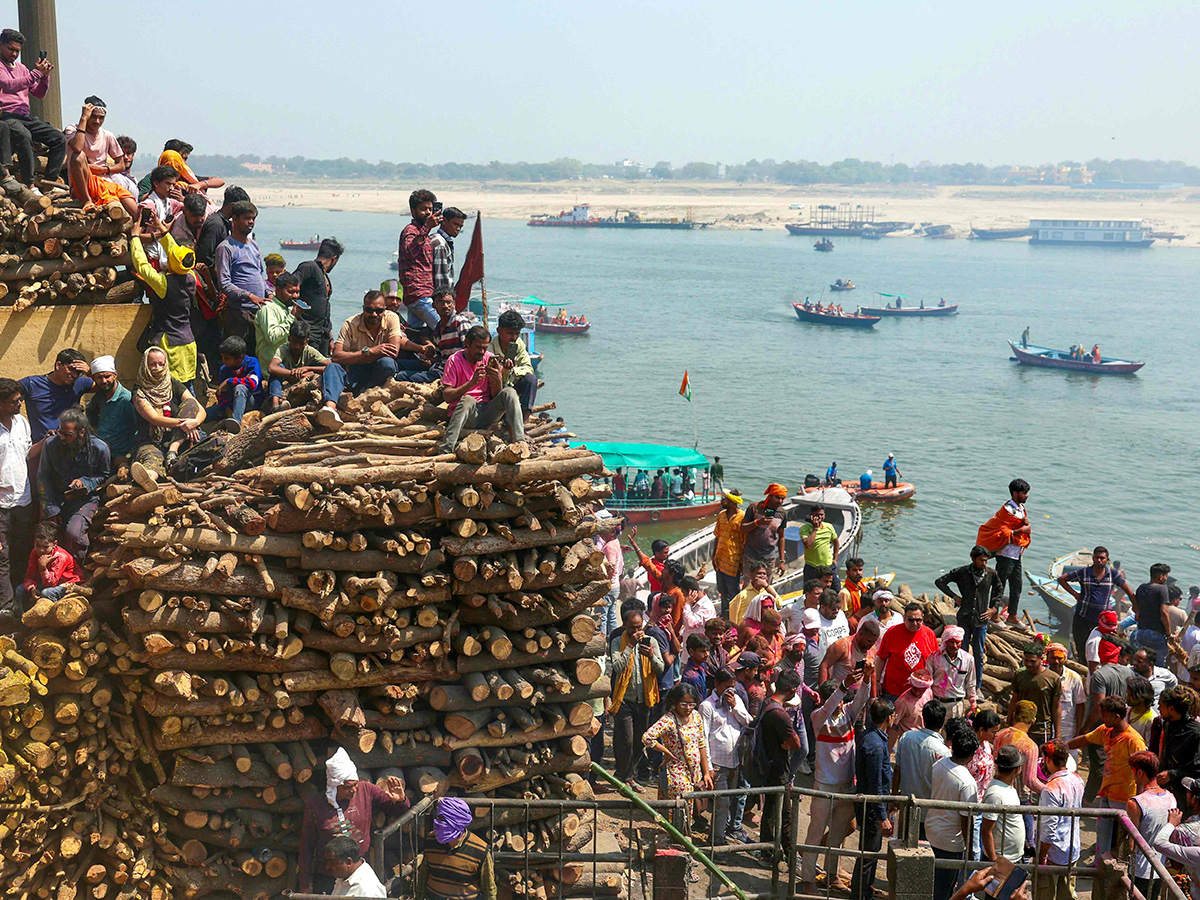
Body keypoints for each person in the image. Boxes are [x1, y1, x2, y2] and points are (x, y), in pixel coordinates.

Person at [297, 747, 409, 894]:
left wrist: (401, 800)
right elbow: (307, 846)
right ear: (334, 786)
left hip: (359, 873)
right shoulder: (315, 806)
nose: (354, 790)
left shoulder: (366, 790)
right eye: (348, 787)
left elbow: (398, 809)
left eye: (355, 784)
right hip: (328, 874)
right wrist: (305, 884)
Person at [316, 293, 430, 431]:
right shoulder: (350, 324)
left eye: (379, 311)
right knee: (332, 367)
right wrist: (369, 352)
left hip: (377, 372)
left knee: (387, 363)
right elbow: (336, 356)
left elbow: (394, 350)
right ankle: (330, 409)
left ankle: (365, 397)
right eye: (369, 310)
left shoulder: (392, 318)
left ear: (384, 310)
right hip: (354, 370)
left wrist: (361, 355)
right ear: (363, 309)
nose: (374, 314)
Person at [1068, 695, 1147, 854]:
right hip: (1106, 793)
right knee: (1103, 833)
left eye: (1105, 715)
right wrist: (1064, 746)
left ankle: (1114, 871)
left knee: (1119, 839)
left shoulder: (1134, 741)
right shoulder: (1105, 730)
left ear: (1116, 717)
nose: (1102, 718)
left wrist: (1139, 802)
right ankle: (1099, 864)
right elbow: (1085, 739)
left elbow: (1142, 773)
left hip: (1125, 798)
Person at [131, 210, 199, 384]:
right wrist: (161, 228)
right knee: (188, 386)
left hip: (170, 344)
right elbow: (175, 251)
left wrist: (135, 238)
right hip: (189, 342)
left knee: (172, 389)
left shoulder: (164, 283)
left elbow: (142, 265)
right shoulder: (191, 275)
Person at [437, 327, 525, 454]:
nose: (482, 352)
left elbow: (495, 394)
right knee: (468, 399)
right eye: (478, 347)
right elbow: (447, 396)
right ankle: (446, 449)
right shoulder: (454, 361)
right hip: (467, 415)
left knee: (510, 392)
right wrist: (472, 383)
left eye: (485, 348)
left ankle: (520, 442)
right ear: (467, 343)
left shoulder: (489, 359)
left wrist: (497, 378)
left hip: (486, 412)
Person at [38, 408, 109, 565]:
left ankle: (74, 572)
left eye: (68, 435)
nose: (62, 437)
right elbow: (43, 478)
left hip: (85, 500)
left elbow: (104, 477)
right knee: (47, 538)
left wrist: (85, 482)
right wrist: (50, 508)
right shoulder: (51, 445)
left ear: (82, 432)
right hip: (56, 499)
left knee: (74, 534)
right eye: (60, 432)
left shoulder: (99, 448)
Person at [129, 347, 208, 486]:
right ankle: (148, 479)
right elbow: (154, 418)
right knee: (152, 459)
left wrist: (194, 422)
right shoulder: (139, 392)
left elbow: (200, 409)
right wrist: (184, 424)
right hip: (151, 441)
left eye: (161, 364)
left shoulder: (173, 384)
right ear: (145, 365)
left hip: (179, 439)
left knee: (191, 406)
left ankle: (174, 453)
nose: (157, 368)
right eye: (152, 364)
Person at [0, 29, 63, 195]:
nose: (14, 54)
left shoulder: (21, 68)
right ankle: (29, 184)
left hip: (25, 115)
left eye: (17, 51)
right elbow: (8, 85)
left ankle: (49, 182)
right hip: (6, 115)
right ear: (1, 45)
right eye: (11, 49)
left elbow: (38, 93)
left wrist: (45, 77)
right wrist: (36, 74)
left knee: (58, 138)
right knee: (24, 135)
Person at [608, 604, 663, 792]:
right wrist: (630, 646)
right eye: (633, 627)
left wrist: (652, 657)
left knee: (641, 740)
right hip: (624, 699)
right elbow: (616, 666)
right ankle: (626, 778)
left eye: (639, 627)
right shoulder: (618, 642)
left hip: (645, 699)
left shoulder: (651, 641)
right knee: (627, 739)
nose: (637, 631)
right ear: (625, 626)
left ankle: (628, 775)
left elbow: (660, 668)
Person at [643, 684, 713, 831]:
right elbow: (647, 738)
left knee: (692, 807)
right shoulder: (669, 720)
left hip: (694, 771)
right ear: (674, 703)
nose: (688, 708)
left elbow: (701, 744)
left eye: (691, 704)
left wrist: (706, 772)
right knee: (679, 807)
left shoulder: (697, 717)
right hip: (676, 773)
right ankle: (676, 835)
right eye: (684, 704)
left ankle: (686, 835)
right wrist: (666, 752)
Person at [925, 725, 981, 900]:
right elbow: (967, 821)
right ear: (971, 755)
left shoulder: (939, 764)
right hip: (950, 841)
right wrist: (970, 852)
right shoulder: (967, 782)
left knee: (934, 884)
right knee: (945, 890)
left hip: (933, 831)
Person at [936, 545, 1003, 688]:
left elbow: (999, 590)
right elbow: (940, 582)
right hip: (964, 618)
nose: (984, 564)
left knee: (978, 655)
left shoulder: (991, 573)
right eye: (981, 561)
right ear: (973, 559)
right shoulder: (961, 572)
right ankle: (960, 683)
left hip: (981, 619)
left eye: (986, 561)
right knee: (961, 653)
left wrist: (993, 609)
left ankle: (976, 686)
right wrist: (954, 596)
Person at [849, 697, 895, 900]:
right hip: (873, 806)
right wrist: (882, 816)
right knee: (869, 852)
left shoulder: (869, 736)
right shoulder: (876, 745)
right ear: (888, 718)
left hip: (870, 803)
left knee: (870, 850)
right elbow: (876, 784)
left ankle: (864, 889)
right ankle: (861, 893)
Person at [757, 668, 804, 862]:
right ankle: (791, 856)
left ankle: (767, 852)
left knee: (769, 811)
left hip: (768, 765)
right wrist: (789, 743)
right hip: (778, 769)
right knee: (786, 816)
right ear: (792, 690)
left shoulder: (766, 704)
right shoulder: (780, 714)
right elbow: (797, 744)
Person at [700, 668, 751, 844]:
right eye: (727, 687)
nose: (731, 691)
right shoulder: (707, 706)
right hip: (717, 763)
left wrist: (735, 707)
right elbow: (703, 738)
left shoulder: (735, 701)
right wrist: (708, 767)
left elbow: (748, 721)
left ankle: (720, 833)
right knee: (721, 804)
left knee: (728, 803)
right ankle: (716, 840)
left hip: (734, 762)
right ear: (717, 685)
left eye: (733, 687)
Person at [1058, 546, 1136, 660]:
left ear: (1107, 560)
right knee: (1082, 647)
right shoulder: (1084, 572)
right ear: (1093, 559)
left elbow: (1129, 591)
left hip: (1103, 619)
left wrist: (1138, 610)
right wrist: (1075, 594)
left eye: (1102, 558)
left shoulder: (1112, 574)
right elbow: (1062, 579)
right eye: (1097, 558)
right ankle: (1084, 668)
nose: (1099, 560)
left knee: (1102, 647)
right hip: (1083, 616)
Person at [215, 200, 271, 354]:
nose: (251, 222)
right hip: (239, 313)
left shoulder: (253, 245)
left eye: (253, 218)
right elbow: (225, 284)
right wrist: (249, 296)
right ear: (235, 219)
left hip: (259, 312)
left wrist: (269, 293)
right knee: (237, 356)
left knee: (257, 354)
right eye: (247, 218)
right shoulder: (226, 248)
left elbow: (260, 274)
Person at [415, 796, 496, 900]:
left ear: (457, 823)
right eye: (438, 818)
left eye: (443, 820)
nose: (438, 823)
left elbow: (489, 890)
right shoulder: (431, 840)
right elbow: (424, 875)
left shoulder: (480, 850)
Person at [893, 699, 950, 841]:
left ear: (923, 718)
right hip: (929, 813)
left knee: (903, 847)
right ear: (943, 721)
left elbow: (897, 772)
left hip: (907, 807)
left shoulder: (906, 738)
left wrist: (894, 798)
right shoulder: (943, 752)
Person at [1036, 740, 1084, 900]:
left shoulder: (1051, 789)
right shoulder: (1078, 780)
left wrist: (1042, 854)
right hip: (1072, 849)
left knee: (1044, 894)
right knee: (1067, 893)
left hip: (1053, 852)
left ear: (1048, 760)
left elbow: (1049, 828)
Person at [0, 378, 32, 617]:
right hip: (0, 505)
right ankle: (6, 607)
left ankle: (22, 602)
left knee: (22, 551)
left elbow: (28, 453)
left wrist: (48, 441)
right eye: (14, 401)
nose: (20, 403)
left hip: (24, 500)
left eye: (20, 399)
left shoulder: (22, 422)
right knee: (2, 555)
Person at [19, 349, 93, 446]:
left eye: (79, 372)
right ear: (58, 365)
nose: (75, 375)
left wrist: (90, 373)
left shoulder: (79, 384)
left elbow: (106, 386)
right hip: (41, 450)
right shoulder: (32, 384)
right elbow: (6, 393)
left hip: (71, 449)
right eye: (71, 369)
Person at [1147, 685, 1200, 809]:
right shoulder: (1168, 725)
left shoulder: (1195, 733)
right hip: (1165, 792)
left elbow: (1197, 769)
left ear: (1171, 709)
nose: (1158, 708)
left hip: (1187, 797)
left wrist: (1172, 774)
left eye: (1161, 705)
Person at [876, 601, 938, 701]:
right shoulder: (892, 632)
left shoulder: (930, 634)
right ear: (904, 618)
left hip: (921, 691)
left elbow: (936, 662)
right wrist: (877, 681)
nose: (915, 623)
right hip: (894, 691)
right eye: (911, 620)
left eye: (918, 620)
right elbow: (881, 658)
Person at [14, 519, 82, 610]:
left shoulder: (60, 556)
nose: (41, 550)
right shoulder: (34, 553)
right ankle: (22, 621)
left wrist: (43, 568)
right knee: (20, 590)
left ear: (54, 544)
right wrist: (32, 589)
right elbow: (30, 575)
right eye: (38, 545)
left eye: (45, 547)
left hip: (68, 585)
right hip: (49, 584)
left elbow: (51, 584)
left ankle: (53, 619)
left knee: (47, 593)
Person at [398, 189, 441, 330]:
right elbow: (410, 251)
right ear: (413, 210)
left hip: (423, 294)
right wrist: (427, 227)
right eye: (423, 209)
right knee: (445, 329)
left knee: (418, 335)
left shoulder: (425, 234)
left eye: (430, 209)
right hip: (419, 294)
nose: (428, 212)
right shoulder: (410, 231)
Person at [267, 319, 330, 412]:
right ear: (289, 339)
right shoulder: (283, 349)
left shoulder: (310, 351)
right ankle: (275, 406)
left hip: (302, 385)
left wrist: (309, 369)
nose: (297, 346)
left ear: (307, 341)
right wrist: (292, 373)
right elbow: (272, 367)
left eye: (301, 343)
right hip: (285, 379)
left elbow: (331, 367)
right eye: (294, 342)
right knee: (278, 368)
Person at [83, 356, 136, 464]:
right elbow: (91, 412)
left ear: (115, 375)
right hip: (100, 453)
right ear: (93, 379)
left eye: (107, 376)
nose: (104, 381)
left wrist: (128, 455)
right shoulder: (100, 396)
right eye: (99, 377)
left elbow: (139, 430)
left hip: (119, 455)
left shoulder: (126, 399)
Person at [297, 238, 344, 357]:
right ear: (334, 258)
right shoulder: (309, 267)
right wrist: (299, 309)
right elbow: (290, 286)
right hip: (308, 332)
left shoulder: (325, 277)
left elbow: (324, 309)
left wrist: (330, 337)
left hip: (323, 335)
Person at [1008, 643, 1061, 745]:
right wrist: (1008, 723)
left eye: (1032, 661)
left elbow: (1056, 707)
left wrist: (1057, 734)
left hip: (1042, 730)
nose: (1028, 664)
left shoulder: (1053, 678)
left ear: (1041, 659)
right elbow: (1014, 700)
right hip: (1020, 727)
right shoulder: (1019, 675)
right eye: (1026, 660)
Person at [980, 744, 1025, 864]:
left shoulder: (1008, 787)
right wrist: (994, 860)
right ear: (1017, 769)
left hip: (1012, 858)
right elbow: (986, 831)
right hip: (1002, 860)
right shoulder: (996, 794)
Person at [254, 270, 303, 376]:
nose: (295, 296)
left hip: (287, 369)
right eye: (290, 292)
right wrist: (292, 317)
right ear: (278, 290)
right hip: (271, 371)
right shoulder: (268, 308)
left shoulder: (289, 308)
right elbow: (272, 337)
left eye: (297, 292)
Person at [488, 310, 537, 414]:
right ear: (499, 331)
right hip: (496, 390)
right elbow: (488, 374)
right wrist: (503, 369)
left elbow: (528, 368)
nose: (514, 337)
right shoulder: (490, 348)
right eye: (510, 333)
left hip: (513, 383)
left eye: (517, 333)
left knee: (531, 379)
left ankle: (524, 419)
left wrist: (513, 370)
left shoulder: (519, 344)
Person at [206, 336, 262, 425]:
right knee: (205, 414)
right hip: (231, 405)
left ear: (239, 358)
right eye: (222, 357)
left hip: (251, 403)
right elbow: (221, 392)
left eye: (227, 358)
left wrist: (230, 380)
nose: (223, 361)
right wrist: (227, 409)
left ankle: (236, 423)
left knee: (240, 388)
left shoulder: (252, 363)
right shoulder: (224, 369)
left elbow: (252, 383)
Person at [1045, 643, 1086, 759]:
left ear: (1065, 659)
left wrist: (1077, 733)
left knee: (1070, 764)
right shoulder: (1043, 676)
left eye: (1060, 658)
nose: (1056, 662)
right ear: (1047, 658)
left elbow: (1080, 706)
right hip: (1047, 730)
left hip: (1068, 732)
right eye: (1053, 658)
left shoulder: (1074, 678)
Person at [740, 484, 787, 577]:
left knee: (766, 584)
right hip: (751, 554)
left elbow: (781, 537)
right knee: (748, 584)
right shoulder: (754, 508)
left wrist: (782, 561)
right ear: (770, 496)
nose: (780, 501)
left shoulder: (782, 513)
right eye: (777, 498)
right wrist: (757, 522)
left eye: (783, 498)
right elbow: (742, 528)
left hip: (769, 556)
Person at [930, 627, 977, 719]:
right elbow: (928, 681)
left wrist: (973, 703)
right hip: (937, 704)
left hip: (957, 706)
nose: (955, 646)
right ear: (946, 642)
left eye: (957, 642)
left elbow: (971, 683)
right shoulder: (934, 658)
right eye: (952, 642)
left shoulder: (968, 659)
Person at [711, 491, 745, 616]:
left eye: (724, 499)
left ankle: (734, 616)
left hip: (733, 561)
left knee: (733, 592)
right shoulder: (721, 515)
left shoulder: (742, 516)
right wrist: (713, 556)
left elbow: (744, 541)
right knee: (722, 591)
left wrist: (742, 563)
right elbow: (717, 536)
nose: (722, 501)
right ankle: (725, 614)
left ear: (732, 501)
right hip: (720, 560)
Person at [820, 617, 880, 687]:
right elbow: (824, 666)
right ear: (860, 633)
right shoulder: (842, 646)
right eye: (869, 641)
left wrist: (873, 697)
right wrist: (824, 693)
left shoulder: (872, 649)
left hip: (860, 694)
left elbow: (873, 673)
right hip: (840, 693)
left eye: (874, 642)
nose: (872, 644)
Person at [323, 834, 388, 898]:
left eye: (332, 862)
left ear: (348, 862)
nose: (327, 867)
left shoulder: (367, 892)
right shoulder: (345, 876)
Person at [1136, 564, 1174, 660]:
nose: (1166, 579)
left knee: (1143, 662)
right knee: (1158, 663)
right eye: (1166, 576)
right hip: (1156, 632)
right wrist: (1169, 634)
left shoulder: (1141, 588)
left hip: (1141, 630)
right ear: (1160, 577)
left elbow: (1136, 608)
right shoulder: (1162, 589)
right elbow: (1164, 612)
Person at [890, 669, 934, 749]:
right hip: (909, 744)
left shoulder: (928, 693)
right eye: (915, 688)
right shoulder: (902, 703)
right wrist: (888, 751)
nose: (917, 692)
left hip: (924, 741)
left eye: (921, 689)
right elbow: (893, 728)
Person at [799, 504, 840, 589]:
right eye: (817, 515)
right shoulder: (805, 528)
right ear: (811, 516)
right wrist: (815, 528)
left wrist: (835, 558)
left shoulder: (829, 527)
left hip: (829, 565)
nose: (819, 517)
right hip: (813, 567)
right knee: (810, 591)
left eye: (821, 514)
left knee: (836, 589)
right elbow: (808, 544)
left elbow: (836, 542)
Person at [432, 288, 473, 368]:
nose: (445, 306)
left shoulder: (460, 322)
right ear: (434, 305)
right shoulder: (437, 330)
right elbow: (440, 357)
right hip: (443, 369)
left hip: (458, 370)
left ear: (454, 304)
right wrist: (429, 360)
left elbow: (470, 350)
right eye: (440, 302)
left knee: (404, 375)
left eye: (448, 302)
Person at [431, 206, 466, 293]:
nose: (458, 229)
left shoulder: (439, 240)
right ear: (445, 221)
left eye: (460, 226)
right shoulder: (440, 243)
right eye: (456, 224)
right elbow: (441, 278)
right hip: (440, 298)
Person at [627, 526, 669, 594]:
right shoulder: (657, 568)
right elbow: (645, 561)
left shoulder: (655, 565)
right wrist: (634, 545)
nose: (668, 554)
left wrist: (634, 544)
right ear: (657, 553)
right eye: (665, 552)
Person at [1127, 677, 1157, 742]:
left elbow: (1148, 747)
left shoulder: (1151, 719)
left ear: (1142, 697)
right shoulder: (1127, 710)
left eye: (1130, 695)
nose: (1127, 697)